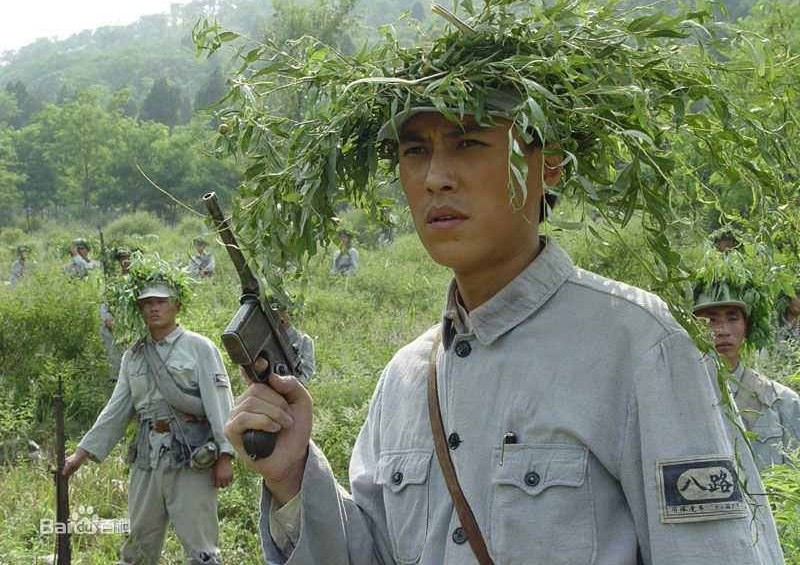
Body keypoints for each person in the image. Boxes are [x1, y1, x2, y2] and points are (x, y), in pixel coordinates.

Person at [223, 109, 785, 563]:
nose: (435, 176)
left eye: (467, 141)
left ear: (550, 165)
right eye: (415, 150)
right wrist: (293, 478)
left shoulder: (642, 344)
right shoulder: (405, 376)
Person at [63, 269, 235, 565]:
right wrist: (80, 455)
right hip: (147, 456)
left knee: (201, 547)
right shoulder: (134, 355)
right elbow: (116, 410)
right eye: (147, 303)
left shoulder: (200, 348)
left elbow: (220, 404)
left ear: (177, 305)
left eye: (161, 301)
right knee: (139, 543)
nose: (154, 308)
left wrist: (225, 456)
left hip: (191, 456)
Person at [693, 282, 800, 470]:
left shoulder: (782, 402)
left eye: (732, 318)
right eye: (710, 320)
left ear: (746, 327)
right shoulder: (679, 399)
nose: (723, 331)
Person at [99, 248, 134, 382]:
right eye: (122, 258)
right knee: (115, 356)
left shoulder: (140, 279)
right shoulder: (113, 281)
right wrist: (108, 318)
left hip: (133, 323)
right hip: (116, 322)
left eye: (127, 257)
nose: (125, 261)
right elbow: (105, 301)